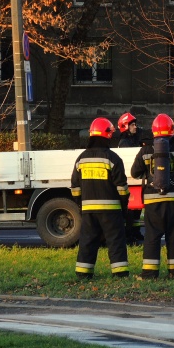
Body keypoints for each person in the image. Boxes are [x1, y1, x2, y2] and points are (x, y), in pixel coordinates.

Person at [131, 114, 174, 279]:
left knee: (152, 237)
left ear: (153, 131)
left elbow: (134, 173)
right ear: (172, 130)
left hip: (153, 201)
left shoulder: (145, 151)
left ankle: (150, 274)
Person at [71, 118, 130, 279]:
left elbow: (75, 187)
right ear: (108, 135)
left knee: (87, 242)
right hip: (111, 210)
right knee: (115, 241)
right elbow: (122, 188)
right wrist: (124, 206)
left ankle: (83, 274)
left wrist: (80, 205)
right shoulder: (113, 158)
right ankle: (120, 274)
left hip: (89, 211)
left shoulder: (81, 159)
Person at [116, 112, 145, 245]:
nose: (135, 127)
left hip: (135, 179)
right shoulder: (124, 143)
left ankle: (135, 232)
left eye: (135, 124)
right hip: (129, 180)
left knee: (137, 211)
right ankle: (130, 235)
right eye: (132, 125)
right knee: (130, 212)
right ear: (125, 126)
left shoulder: (133, 140)